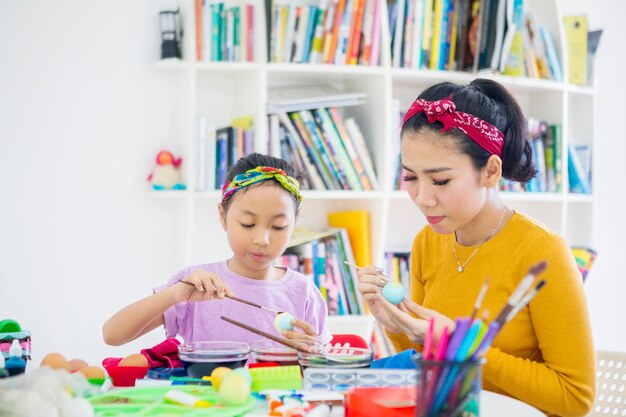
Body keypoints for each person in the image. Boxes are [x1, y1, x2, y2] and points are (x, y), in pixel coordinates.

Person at [357, 79, 595, 416]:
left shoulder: (543, 253)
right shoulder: (428, 241)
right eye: (411, 177)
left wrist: (461, 347)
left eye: (440, 180)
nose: (423, 198)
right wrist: (396, 327)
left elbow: (575, 398)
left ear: (491, 171)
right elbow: (426, 359)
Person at [103, 153, 331, 347]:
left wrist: (313, 353)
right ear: (223, 216)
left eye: (278, 226)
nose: (262, 239)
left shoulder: (304, 292)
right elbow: (112, 335)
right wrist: (174, 294)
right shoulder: (195, 285)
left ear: (294, 224)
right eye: (248, 224)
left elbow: (321, 369)